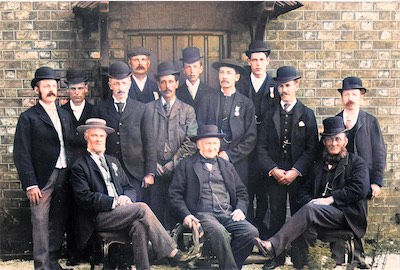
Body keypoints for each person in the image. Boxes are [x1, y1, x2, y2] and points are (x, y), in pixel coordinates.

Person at [70, 118, 198, 270]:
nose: (98, 139)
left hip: (120, 213)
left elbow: (128, 187)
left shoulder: (113, 161)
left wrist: (127, 197)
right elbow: (84, 197)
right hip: (97, 217)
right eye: (94, 136)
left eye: (101, 136)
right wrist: (114, 201)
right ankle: (171, 252)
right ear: (86, 137)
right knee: (142, 208)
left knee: (138, 226)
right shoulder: (80, 166)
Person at [254, 116, 370, 269]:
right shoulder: (318, 165)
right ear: (324, 142)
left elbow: (360, 189)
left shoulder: (356, 163)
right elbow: (303, 191)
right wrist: (311, 203)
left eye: (338, 139)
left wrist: (330, 200)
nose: (333, 143)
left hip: (346, 215)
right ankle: (303, 265)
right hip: (319, 214)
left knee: (310, 211)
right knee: (306, 220)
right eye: (329, 140)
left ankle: (272, 245)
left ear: (345, 141)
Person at [169, 125, 259, 269]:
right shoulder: (186, 165)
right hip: (202, 214)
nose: (212, 148)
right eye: (208, 143)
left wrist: (241, 209)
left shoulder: (226, 165)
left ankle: (228, 266)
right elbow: (174, 195)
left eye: (215, 143)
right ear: (199, 145)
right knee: (219, 232)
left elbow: (241, 191)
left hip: (227, 213)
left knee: (251, 232)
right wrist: (186, 215)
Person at [256, 66, 318, 268]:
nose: (284, 90)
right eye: (281, 86)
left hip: (298, 174)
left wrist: (296, 171)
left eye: (288, 85)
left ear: (296, 85)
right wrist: (273, 170)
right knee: (276, 213)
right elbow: (261, 148)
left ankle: (300, 258)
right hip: (275, 172)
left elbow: (312, 149)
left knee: (300, 214)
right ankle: (277, 257)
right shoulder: (269, 114)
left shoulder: (306, 114)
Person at [13, 66, 75, 270]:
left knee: (58, 219)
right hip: (43, 177)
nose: (51, 89)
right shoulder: (28, 118)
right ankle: (41, 265)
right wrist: (30, 184)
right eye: (45, 85)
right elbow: (21, 153)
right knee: (40, 221)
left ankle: (53, 261)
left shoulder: (64, 114)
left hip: (65, 174)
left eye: (54, 85)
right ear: (37, 89)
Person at [332, 76, 387, 268]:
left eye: (354, 94)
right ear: (342, 97)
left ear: (361, 96)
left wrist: (376, 181)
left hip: (362, 180)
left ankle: (358, 258)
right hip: (340, 178)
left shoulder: (370, 122)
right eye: (346, 94)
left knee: (358, 217)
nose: (350, 98)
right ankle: (338, 259)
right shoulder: (336, 121)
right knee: (337, 216)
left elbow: (379, 153)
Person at [91, 61, 157, 202]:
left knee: (135, 211)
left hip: (136, 172)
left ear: (130, 83)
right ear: (110, 85)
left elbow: (149, 141)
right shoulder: (100, 109)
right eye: (116, 84)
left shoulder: (141, 109)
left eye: (124, 83)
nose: (120, 88)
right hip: (109, 170)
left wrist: (150, 172)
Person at [146, 61, 198, 230]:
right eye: (163, 82)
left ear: (176, 84)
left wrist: (173, 162)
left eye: (170, 82)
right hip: (156, 169)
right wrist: (153, 163)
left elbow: (192, 141)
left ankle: (179, 249)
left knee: (177, 209)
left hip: (179, 170)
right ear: (158, 84)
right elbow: (141, 139)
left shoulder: (187, 110)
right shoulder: (148, 109)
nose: (167, 86)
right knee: (156, 210)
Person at [241, 40, 280, 238]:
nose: (257, 63)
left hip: (266, 148)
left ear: (267, 61)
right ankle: (247, 233)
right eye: (254, 59)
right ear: (248, 61)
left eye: (261, 60)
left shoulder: (275, 86)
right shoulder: (241, 84)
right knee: (245, 190)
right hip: (245, 147)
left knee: (265, 192)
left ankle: (263, 234)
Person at [197, 58, 257, 186]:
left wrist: (230, 154)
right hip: (211, 157)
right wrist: (212, 152)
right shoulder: (207, 100)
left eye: (229, 73)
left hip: (237, 161)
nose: (224, 76)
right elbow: (201, 128)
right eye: (221, 73)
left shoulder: (246, 104)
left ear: (237, 77)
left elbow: (250, 138)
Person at [62, 67, 94, 160]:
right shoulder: (61, 112)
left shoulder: (94, 111)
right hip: (67, 164)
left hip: (88, 163)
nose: (77, 92)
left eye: (80, 88)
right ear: (68, 89)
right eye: (73, 89)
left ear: (86, 89)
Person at [176, 46, 214, 113]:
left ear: (201, 69)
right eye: (188, 67)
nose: (192, 71)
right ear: (183, 70)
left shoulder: (210, 92)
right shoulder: (177, 93)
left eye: (195, 66)